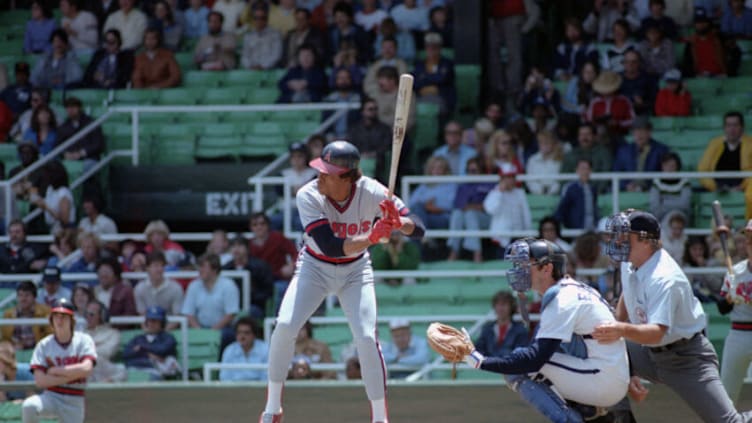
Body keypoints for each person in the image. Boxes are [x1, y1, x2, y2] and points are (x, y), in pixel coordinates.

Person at [260, 140, 424, 423]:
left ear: (347, 177)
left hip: (356, 272)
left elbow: (419, 229)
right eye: (320, 169)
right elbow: (330, 246)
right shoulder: (308, 194)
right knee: (285, 325)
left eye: (328, 172)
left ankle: (379, 418)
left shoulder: (373, 191)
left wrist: (399, 222)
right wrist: (372, 236)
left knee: (366, 338)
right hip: (314, 266)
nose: (320, 176)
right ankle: (273, 409)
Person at [593, 210, 752, 422]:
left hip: (685, 357)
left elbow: (656, 333)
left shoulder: (664, 277)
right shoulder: (631, 260)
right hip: (646, 351)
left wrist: (620, 330)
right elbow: (628, 291)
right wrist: (624, 363)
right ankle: (621, 418)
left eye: (625, 235)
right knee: (595, 346)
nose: (619, 241)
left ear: (646, 240)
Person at [458, 238, 629, 421]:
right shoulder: (571, 289)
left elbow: (533, 360)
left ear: (546, 268)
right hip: (607, 373)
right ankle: (591, 414)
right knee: (535, 357)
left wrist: (481, 361)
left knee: (519, 368)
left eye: (525, 265)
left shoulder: (561, 299)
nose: (519, 270)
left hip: (604, 380)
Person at [22, 298, 96, 423]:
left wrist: (56, 370)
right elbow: (40, 381)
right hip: (52, 396)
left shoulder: (83, 340)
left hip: (75, 397)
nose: (59, 320)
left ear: (72, 320)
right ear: (51, 319)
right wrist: (72, 375)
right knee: (29, 406)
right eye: (56, 316)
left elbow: (87, 368)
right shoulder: (44, 344)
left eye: (64, 316)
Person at [715, 219, 752, 404]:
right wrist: (729, 297)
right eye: (748, 236)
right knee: (727, 394)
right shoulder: (735, 272)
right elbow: (721, 308)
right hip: (738, 333)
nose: (750, 241)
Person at [446, 157, 494, 263]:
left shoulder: (490, 183)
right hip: (468, 218)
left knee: (470, 213)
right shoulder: (463, 186)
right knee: (457, 214)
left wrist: (475, 207)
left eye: (473, 171)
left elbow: (490, 207)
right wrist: (474, 206)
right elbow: (459, 206)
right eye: (468, 171)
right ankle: (454, 251)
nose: (470, 174)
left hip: (488, 219)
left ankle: (477, 253)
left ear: (481, 171)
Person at [698, 111, 752, 194]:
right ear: (724, 127)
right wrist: (714, 187)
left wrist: (741, 187)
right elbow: (703, 169)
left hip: (744, 188)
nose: (732, 129)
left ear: (742, 127)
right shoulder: (714, 144)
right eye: (728, 125)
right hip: (717, 186)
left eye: (735, 125)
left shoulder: (750, 144)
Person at [182, 253, 239, 331]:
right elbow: (188, 313)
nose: (200, 270)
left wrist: (212, 331)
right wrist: (199, 330)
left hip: (223, 329)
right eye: (199, 267)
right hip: (199, 328)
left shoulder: (228, 285)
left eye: (203, 267)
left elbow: (231, 314)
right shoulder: (193, 285)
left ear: (214, 269)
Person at [612, 116, 670, 192]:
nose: (639, 135)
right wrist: (626, 185)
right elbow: (616, 172)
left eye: (643, 131)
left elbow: (665, 174)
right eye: (636, 131)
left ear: (649, 132)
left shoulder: (661, 150)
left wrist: (647, 187)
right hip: (628, 191)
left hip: (652, 191)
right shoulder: (624, 151)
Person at [122, 306, 180, 380]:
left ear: (162, 323)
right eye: (150, 321)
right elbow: (126, 354)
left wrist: (141, 348)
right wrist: (148, 354)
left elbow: (162, 350)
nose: (152, 324)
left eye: (155, 321)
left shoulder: (168, 338)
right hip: (137, 368)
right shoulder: (139, 338)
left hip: (157, 372)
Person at [223, 237, 275, 319]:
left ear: (247, 248)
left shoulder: (260, 267)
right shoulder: (225, 269)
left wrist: (252, 294)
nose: (236, 249)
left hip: (255, 306)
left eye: (240, 245)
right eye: (233, 246)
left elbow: (268, 292)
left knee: (249, 312)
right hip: (232, 306)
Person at [483, 162, 531, 251]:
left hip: (518, 237)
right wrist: (500, 193)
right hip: (501, 239)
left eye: (513, 177)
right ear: (502, 178)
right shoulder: (495, 192)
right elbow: (490, 210)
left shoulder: (520, 193)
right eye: (508, 177)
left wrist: (527, 234)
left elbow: (526, 214)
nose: (511, 180)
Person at [346, 98, 391, 183]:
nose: (373, 112)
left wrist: (373, 154)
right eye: (370, 109)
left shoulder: (384, 129)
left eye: (375, 109)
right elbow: (350, 146)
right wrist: (361, 155)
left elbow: (387, 146)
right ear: (363, 111)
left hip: (378, 162)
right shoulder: (354, 129)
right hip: (359, 160)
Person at [473, 290, 529, 358]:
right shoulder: (487, 329)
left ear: (511, 307)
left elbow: (520, 354)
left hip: (510, 367)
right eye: (498, 304)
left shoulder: (521, 330)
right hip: (490, 367)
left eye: (504, 304)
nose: (500, 308)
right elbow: (479, 350)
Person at [413, 32, 456, 117]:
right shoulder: (419, 64)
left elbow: (442, 79)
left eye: (435, 47)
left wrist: (424, 77)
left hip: (441, 98)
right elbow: (416, 83)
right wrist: (434, 80)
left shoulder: (447, 63)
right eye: (429, 47)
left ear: (440, 48)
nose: (431, 50)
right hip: (421, 98)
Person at [561, 123, 613, 193]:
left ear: (594, 136)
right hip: (574, 193)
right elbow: (563, 177)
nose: (584, 137)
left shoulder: (604, 153)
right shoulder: (571, 154)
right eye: (581, 135)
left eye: (588, 134)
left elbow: (606, 174)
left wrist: (595, 191)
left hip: (598, 192)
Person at [408, 156, 457, 230]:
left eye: (440, 168)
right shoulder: (424, 185)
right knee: (416, 211)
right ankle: (425, 238)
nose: (436, 170)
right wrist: (426, 206)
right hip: (424, 216)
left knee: (417, 219)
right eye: (433, 167)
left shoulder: (451, 185)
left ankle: (423, 237)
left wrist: (431, 208)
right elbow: (412, 203)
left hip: (443, 218)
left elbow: (451, 207)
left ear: (445, 170)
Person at [2, 282, 52, 350]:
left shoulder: (46, 312)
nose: (23, 299)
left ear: (34, 297)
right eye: (20, 295)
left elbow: (50, 335)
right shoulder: (8, 314)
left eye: (27, 295)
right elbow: (5, 338)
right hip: (15, 350)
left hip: (39, 349)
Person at [84, 300, 125, 382]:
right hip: (82, 367)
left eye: (91, 314)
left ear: (101, 316)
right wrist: (96, 345)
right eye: (86, 314)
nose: (87, 317)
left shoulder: (113, 333)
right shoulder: (80, 334)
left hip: (102, 367)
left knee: (121, 370)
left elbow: (107, 352)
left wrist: (89, 348)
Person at [134, 251, 184, 318]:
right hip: (148, 327)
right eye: (156, 265)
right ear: (147, 268)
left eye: (162, 266)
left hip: (170, 327)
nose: (160, 269)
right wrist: (149, 328)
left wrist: (164, 329)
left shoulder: (176, 288)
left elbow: (177, 316)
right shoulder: (139, 289)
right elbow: (142, 315)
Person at [57, 97, 106, 166]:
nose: (70, 110)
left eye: (73, 107)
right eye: (68, 107)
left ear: (79, 108)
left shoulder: (91, 123)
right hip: (69, 157)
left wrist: (81, 153)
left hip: (89, 157)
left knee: (88, 165)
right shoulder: (64, 126)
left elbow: (98, 144)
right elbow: (58, 145)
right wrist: (65, 154)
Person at [32, 161, 76, 234]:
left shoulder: (63, 193)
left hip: (65, 231)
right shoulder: (50, 189)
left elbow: (65, 220)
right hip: (52, 228)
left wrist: (46, 207)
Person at [554, 158, 598, 231]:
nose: (585, 172)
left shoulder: (592, 189)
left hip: (591, 229)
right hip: (576, 229)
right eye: (582, 169)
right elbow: (561, 209)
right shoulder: (570, 188)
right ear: (577, 170)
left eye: (587, 169)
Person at [220, 317, 268, 382]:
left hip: (259, 389)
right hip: (234, 389)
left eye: (246, 333)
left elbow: (267, 377)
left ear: (254, 335)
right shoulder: (229, 350)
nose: (242, 336)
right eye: (239, 332)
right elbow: (224, 377)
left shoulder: (265, 349)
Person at [649, 151, 692, 223]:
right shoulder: (656, 183)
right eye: (666, 165)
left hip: (680, 217)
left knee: (675, 218)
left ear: (677, 167)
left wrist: (664, 202)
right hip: (661, 218)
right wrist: (675, 203)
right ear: (662, 166)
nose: (669, 169)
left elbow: (685, 205)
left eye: (672, 166)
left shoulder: (684, 183)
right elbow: (655, 208)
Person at [240, 4, 283, 70]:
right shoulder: (248, 36)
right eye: (256, 18)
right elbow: (245, 56)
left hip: (269, 71)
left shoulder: (275, 34)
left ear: (266, 19)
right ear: (253, 20)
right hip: (251, 71)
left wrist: (263, 66)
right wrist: (250, 66)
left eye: (262, 18)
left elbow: (276, 55)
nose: (259, 21)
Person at [525, 130, 564, 196]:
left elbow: (560, 181)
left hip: (555, 195)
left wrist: (551, 192)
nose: (544, 145)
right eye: (541, 142)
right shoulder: (532, 160)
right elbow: (530, 180)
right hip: (536, 195)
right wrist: (540, 191)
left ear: (553, 143)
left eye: (547, 142)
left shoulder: (560, 160)